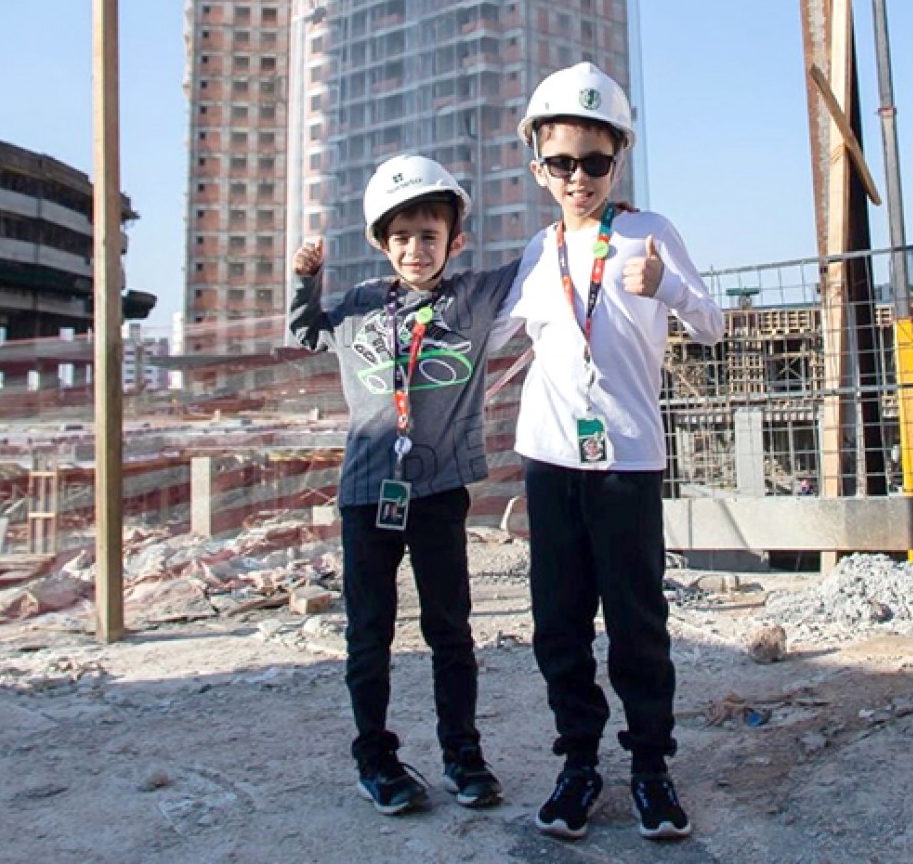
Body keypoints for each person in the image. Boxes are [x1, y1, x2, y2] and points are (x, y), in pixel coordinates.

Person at [505, 62, 724, 842]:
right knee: (557, 622)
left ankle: (651, 767)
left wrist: (667, 285)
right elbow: (480, 338)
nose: (578, 177)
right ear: (538, 167)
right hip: (549, 459)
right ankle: (577, 762)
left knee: (637, 621)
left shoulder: (647, 232)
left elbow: (713, 325)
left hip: (627, 459)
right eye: (561, 162)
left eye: (593, 161)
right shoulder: (534, 255)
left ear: (616, 161)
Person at [289, 154, 521, 817]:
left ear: (455, 239)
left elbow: (539, 262)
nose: (414, 248)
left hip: (439, 492)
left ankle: (462, 754)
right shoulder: (361, 305)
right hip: (367, 493)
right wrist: (305, 279)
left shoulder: (471, 298)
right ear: (380, 243)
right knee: (369, 631)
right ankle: (376, 757)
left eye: (428, 234)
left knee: (449, 629)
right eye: (400, 237)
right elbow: (304, 331)